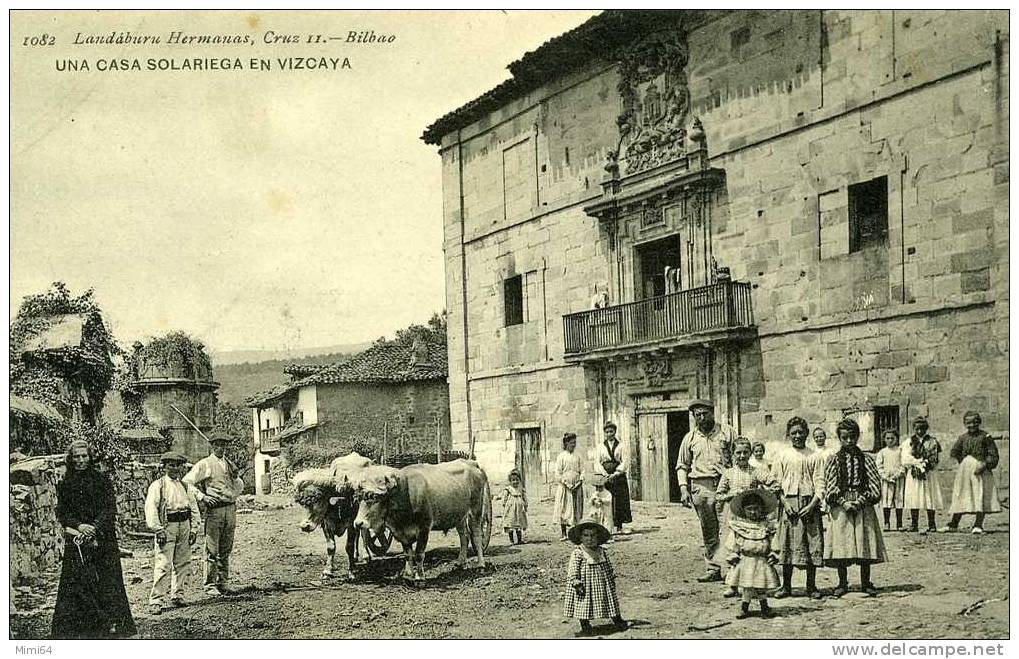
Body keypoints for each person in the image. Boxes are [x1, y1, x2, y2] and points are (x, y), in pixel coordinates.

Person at [51, 440, 136, 639]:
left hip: (103, 537)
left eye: (84, 456)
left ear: (90, 457)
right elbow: (62, 513)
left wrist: (95, 528)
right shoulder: (65, 483)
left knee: (108, 580)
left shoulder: (102, 480)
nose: (80, 460)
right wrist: (80, 526)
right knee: (78, 581)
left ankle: (111, 623)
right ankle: (82, 626)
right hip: (77, 538)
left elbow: (109, 509)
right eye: (76, 457)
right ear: (70, 459)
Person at [676, 399, 738, 582]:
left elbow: (740, 456)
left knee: (729, 527)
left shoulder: (727, 432)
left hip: (725, 485)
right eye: (698, 415)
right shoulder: (690, 438)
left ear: (712, 413)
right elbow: (682, 465)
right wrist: (683, 489)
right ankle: (713, 568)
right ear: (694, 417)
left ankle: (734, 569)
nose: (702, 418)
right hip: (701, 488)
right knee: (709, 530)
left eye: (705, 414)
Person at [823, 418, 887, 597]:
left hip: (862, 505)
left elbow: (875, 485)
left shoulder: (866, 459)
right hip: (841, 506)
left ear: (857, 437)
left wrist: (860, 501)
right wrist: (843, 502)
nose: (849, 441)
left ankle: (866, 582)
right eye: (845, 438)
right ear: (839, 438)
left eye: (852, 437)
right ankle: (842, 583)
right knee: (842, 544)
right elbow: (830, 484)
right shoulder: (833, 460)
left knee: (864, 541)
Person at [183, 433, 245, 595]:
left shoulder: (230, 465)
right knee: (212, 549)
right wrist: (202, 497)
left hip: (230, 509)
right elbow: (187, 482)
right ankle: (210, 585)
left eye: (223, 445)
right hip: (215, 510)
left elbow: (238, 487)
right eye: (217, 444)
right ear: (212, 446)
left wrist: (236, 479)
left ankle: (223, 582)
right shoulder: (205, 464)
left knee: (226, 548)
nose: (220, 448)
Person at [770, 416, 825, 599]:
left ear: (807, 433)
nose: (797, 436)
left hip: (810, 504)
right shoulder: (783, 455)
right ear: (789, 434)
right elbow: (775, 482)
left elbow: (820, 483)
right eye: (793, 433)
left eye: (801, 432)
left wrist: (812, 505)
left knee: (811, 542)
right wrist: (784, 502)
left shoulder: (814, 456)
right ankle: (786, 586)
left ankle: (811, 586)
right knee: (788, 543)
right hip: (789, 505)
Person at [715, 437, 777, 598]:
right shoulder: (728, 474)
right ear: (732, 454)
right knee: (734, 549)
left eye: (745, 452)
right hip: (734, 515)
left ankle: (753, 583)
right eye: (738, 453)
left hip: (751, 518)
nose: (742, 456)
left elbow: (771, 480)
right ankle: (732, 585)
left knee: (750, 550)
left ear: (750, 454)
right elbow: (719, 495)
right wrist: (730, 494)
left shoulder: (755, 471)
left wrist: (771, 489)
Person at [145, 451, 202, 614]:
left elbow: (194, 508)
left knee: (183, 562)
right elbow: (151, 509)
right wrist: (158, 529)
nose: (175, 468)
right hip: (167, 525)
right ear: (164, 467)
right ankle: (156, 600)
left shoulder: (185, 486)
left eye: (178, 465)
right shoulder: (158, 486)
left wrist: (194, 529)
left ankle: (178, 595)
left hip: (184, 524)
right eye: (171, 465)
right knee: (163, 563)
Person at [562, 518, 627, 636]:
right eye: (586, 535)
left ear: (598, 537)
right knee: (584, 604)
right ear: (580, 538)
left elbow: (607, 565)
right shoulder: (579, 552)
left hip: (603, 583)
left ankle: (617, 620)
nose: (590, 539)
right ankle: (585, 625)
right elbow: (573, 570)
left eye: (593, 535)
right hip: (585, 585)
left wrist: (611, 577)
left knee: (610, 600)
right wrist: (575, 581)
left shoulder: (601, 551)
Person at [724, 488, 781, 619]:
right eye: (749, 509)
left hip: (761, 560)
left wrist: (773, 553)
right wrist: (734, 555)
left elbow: (773, 541)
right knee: (747, 586)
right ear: (744, 510)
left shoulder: (767, 526)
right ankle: (744, 608)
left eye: (756, 508)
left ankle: (765, 607)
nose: (753, 512)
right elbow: (735, 544)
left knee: (761, 586)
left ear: (762, 509)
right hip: (746, 560)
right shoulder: (740, 527)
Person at [942, 411, 1001, 534]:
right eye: (968, 423)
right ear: (964, 424)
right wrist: (964, 463)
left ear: (979, 422)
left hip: (981, 471)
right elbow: (954, 452)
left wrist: (984, 465)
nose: (972, 425)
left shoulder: (986, 437)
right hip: (966, 472)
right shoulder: (963, 438)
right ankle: (953, 523)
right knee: (961, 495)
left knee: (980, 495)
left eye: (975, 422)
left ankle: (978, 524)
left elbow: (993, 455)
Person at [901, 416, 943, 533]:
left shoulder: (932, 441)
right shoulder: (908, 442)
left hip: (928, 473)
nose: (920, 431)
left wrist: (927, 463)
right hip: (914, 473)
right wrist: (918, 462)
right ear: (914, 428)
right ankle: (914, 524)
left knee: (930, 497)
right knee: (914, 497)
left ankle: (932, 523)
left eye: (922, 428)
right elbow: (905, 459)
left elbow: (935, 457)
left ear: (926, 429)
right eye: (917, 429)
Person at [594, 421, 632, 534]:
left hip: (618, 476)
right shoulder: (600, 446)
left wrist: (616, 473)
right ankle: (607, 527)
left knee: (619, 500)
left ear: (615, 432)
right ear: (604, 433)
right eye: (607, 432)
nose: (609, 434)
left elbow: (625, 461)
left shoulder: (621, 445)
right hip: (605, 475)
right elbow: (597, 462)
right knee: (606, 499)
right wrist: (604, 474)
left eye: (611, 431)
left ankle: (619, 526)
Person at [553, 433, 585, 541]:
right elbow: (558, 473)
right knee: (564, 508)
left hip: (576, 485)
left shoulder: (578, 456)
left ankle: (576, 532)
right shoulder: (561, 456)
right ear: (566, 443)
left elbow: (583, 470)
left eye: (575, 443)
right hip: (565, 487)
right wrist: (566, 484)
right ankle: (563, 533)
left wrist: (579, 482)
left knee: (576, 508)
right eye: (571, 443)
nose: (573, 445)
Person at [875, 429, 905, 532]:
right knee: (886, 501)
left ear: (896, 438)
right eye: (888, 438)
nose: (890, 440)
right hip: (886, 481)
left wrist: (898, 475)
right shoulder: (882, 452)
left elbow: (904, 464)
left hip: (898, 480)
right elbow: (879, 466)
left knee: (898, 500)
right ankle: (886, 523)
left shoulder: (900, 451)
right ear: (884, 439)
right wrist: (885, 477)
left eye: (892, 438)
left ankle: (899, 523)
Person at [498, 469, 528, 544]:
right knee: (510, 524)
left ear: (519, 480)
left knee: (519, 524)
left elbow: (524, 497)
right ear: (510, 481)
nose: (515, 482)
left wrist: (525, 505)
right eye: (513, 480)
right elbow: (504, 497)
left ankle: (519, 539)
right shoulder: (508, 489)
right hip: (511, 509)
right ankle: (511, 540)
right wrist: (504, 503)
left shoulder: (521, 489)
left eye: (517, 480)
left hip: (519, 510)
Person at [589, 474, 614, 539]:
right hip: (598, 510)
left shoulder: (607, 493)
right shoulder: (595, 493)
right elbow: (590, 502)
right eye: (597, 487)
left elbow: (608, 501)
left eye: (600, 487)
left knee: (607, 522)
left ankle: (608, 536)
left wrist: (602, 500)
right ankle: (599, 536)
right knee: (598, 522)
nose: (598, 488)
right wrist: (593, 500)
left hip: (605, 510)